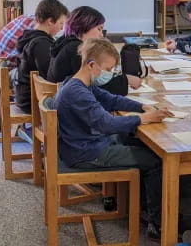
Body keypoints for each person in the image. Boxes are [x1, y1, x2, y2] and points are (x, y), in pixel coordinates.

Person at [54, 38, 172, 238]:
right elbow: (106, 124)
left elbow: (110, 99)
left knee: (133, 139)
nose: (109, 73)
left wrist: (141, 107)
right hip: (85, 153)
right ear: (92, 65)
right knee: (155, 161)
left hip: (83, 144)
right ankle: (158, 223)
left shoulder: (79, 82)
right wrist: (143, 118)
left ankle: (138, 204)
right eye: (108, 68)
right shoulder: (78, 93)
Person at [47, 6, 141, 94]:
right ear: (84, 26)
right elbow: (96, 86)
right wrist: (126, 80)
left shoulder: (64, 43)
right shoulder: (77, 49)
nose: (101, 35)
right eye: (99, 29)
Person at [15, 0, 69, 113]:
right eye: (61, 23)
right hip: (33, 101)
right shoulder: (41, 44)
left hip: (25, 96)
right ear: (50, 21)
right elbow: (51, 76)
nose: (62, 28)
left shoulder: (31, 36)